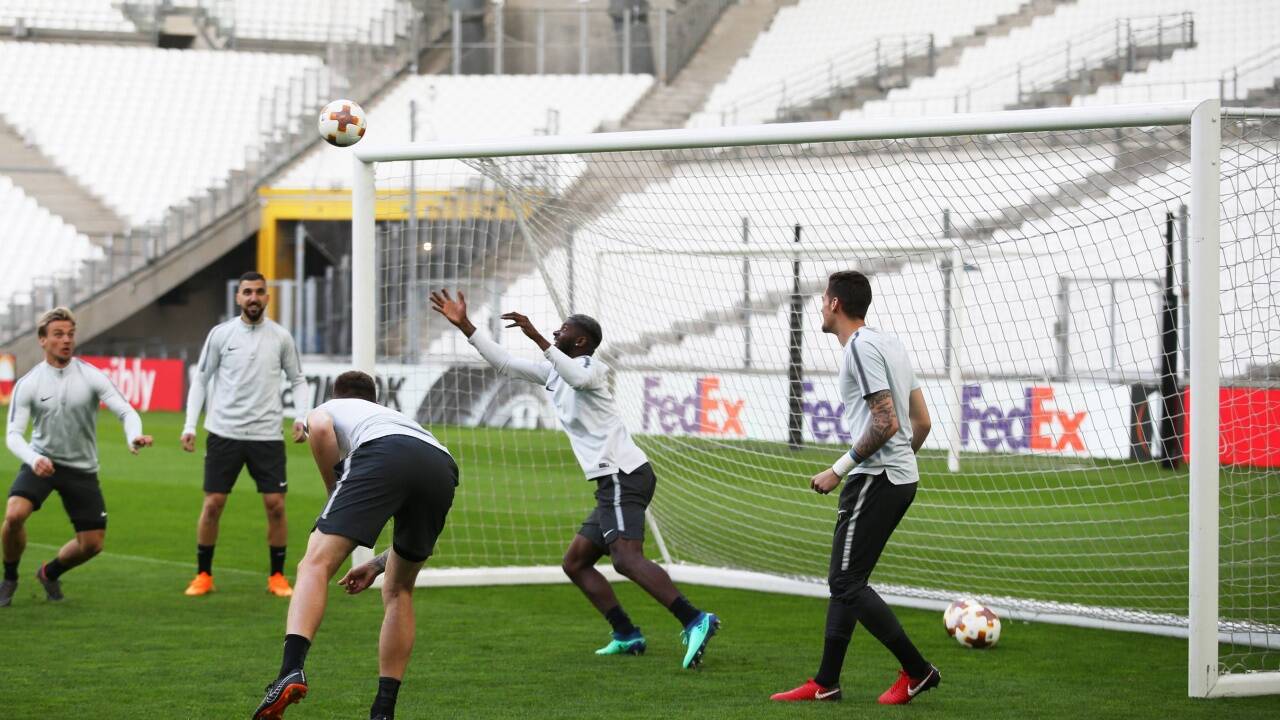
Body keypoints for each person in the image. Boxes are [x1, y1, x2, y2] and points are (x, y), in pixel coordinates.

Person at [429, 289, 718, 669]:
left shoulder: (591, 369)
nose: (554, 331)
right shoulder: (555, 372)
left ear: (580, 341)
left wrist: (536, 337)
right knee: (576, 562)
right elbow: (504, 364)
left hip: (622, 475)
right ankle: (627, 633)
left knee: (626, 560)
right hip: (611, 480)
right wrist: (465, 325)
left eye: (562, 329)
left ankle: (695, 619)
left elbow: (577, 380)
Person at [771, 271, 940, 704]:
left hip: (875, 479)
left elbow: (887, 422)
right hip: (896, 478)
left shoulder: (861, 349)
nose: (820, 306)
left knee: (845, 581)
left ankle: (917, 670)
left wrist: (839, 469)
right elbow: (923, 421)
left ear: (834, 305)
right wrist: (902, 464)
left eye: (823, 298)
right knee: (849, 579)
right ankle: (826, 682)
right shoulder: (890, 343)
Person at [253, 370, 457, 720]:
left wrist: (334, 491)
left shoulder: (330, 407)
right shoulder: (395, 418)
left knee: (314, 564)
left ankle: (290, 669)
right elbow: (407, 544)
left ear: (336, 394)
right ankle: (383, 710)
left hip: (383, 454)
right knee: (398, 590)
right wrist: (377, 564)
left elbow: (317, 428)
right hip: (442, 465)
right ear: (375, 401)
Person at [0, 307, 152, 607]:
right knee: (14, 515)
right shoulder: (29, 383)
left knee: (92, 545)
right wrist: (33, 459)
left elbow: (125, 411)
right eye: (58, 334)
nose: (66, 340)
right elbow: (13, 435)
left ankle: (49, 572)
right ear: (43, 340)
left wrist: (133, 435)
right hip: (42, 461)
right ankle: (9, 578)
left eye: (70, 334)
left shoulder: (91, 376)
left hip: (81, 468)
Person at [181, 271, 311, 597]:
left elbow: (298, 379)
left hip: (266, 434)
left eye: (259, 292)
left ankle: (277, 577)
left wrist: (302, 417)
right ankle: (203, 575)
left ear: (268, 297)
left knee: (276, 506)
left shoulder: (281, 337)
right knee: (213, 504)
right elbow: (201, 379)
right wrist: (189, 425)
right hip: (224, 431)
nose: (253, 298)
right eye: (247, 292)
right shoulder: (221, 334)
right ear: (238, 298)